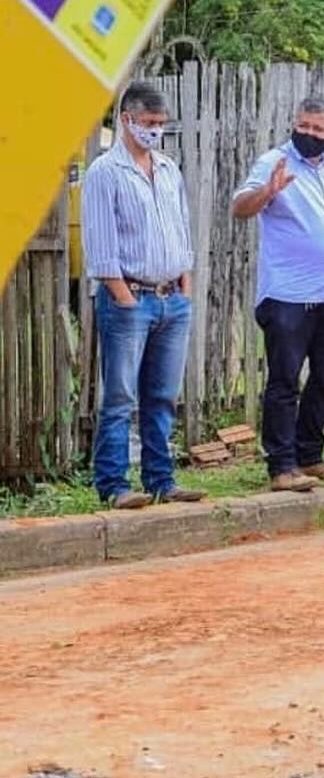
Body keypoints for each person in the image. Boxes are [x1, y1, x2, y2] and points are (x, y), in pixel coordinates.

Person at [232, 97, 324, 493]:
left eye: (317, 129)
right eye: (303, 126)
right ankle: (281, 465)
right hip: (287, 294)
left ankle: (310, 452)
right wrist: (268, 192)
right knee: (285, 380)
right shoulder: (273, 162)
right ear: (294, 125)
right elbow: (239, 207)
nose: (309, 134)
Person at [81, 80, 203, 509]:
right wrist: (123, 295)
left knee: (163, 397)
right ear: (126, 120)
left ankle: (161, 481)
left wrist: (185, 282)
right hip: (129, 296)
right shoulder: (105, 172)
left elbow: (181, 227)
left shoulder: (168, 169)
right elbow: (99, 244)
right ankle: (114, 485)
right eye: (148, 123)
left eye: (161, 123)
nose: (155, 130)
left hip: (172, 296)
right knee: (119, 398)